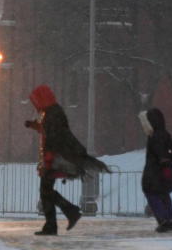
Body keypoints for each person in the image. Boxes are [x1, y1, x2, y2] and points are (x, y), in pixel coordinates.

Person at [24, 84, 110, 236]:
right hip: (53, 157)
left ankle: (64, 216)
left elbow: (54, 138)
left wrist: (49, 161)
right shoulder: (52, 112)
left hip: (55, 158)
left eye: (37, 100)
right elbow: (49, 132)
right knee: (46, 191)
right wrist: (34, 126)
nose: (36, 104)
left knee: (45, 191)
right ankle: (63, 217)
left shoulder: (52, 114)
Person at [139, 108, 172, 232]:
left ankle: (163, 220)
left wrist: (164, 163)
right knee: (164, 195)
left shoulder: (155, 136)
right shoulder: (165, 134)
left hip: (155, 172)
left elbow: (161, 153)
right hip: (167, 171)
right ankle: (170, 220)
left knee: (151, 193)